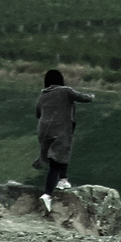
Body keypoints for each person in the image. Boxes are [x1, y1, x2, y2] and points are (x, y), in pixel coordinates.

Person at [33, 68, 93, 212]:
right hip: (60, 130)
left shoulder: (43, 95)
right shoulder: (65, 91)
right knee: (57, 161)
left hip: (43, 130)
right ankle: (47, 195)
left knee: (60, 154)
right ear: (60, 80)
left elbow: (37, 113)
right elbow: (84, 98)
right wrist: (92, 95)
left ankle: (63, 180)